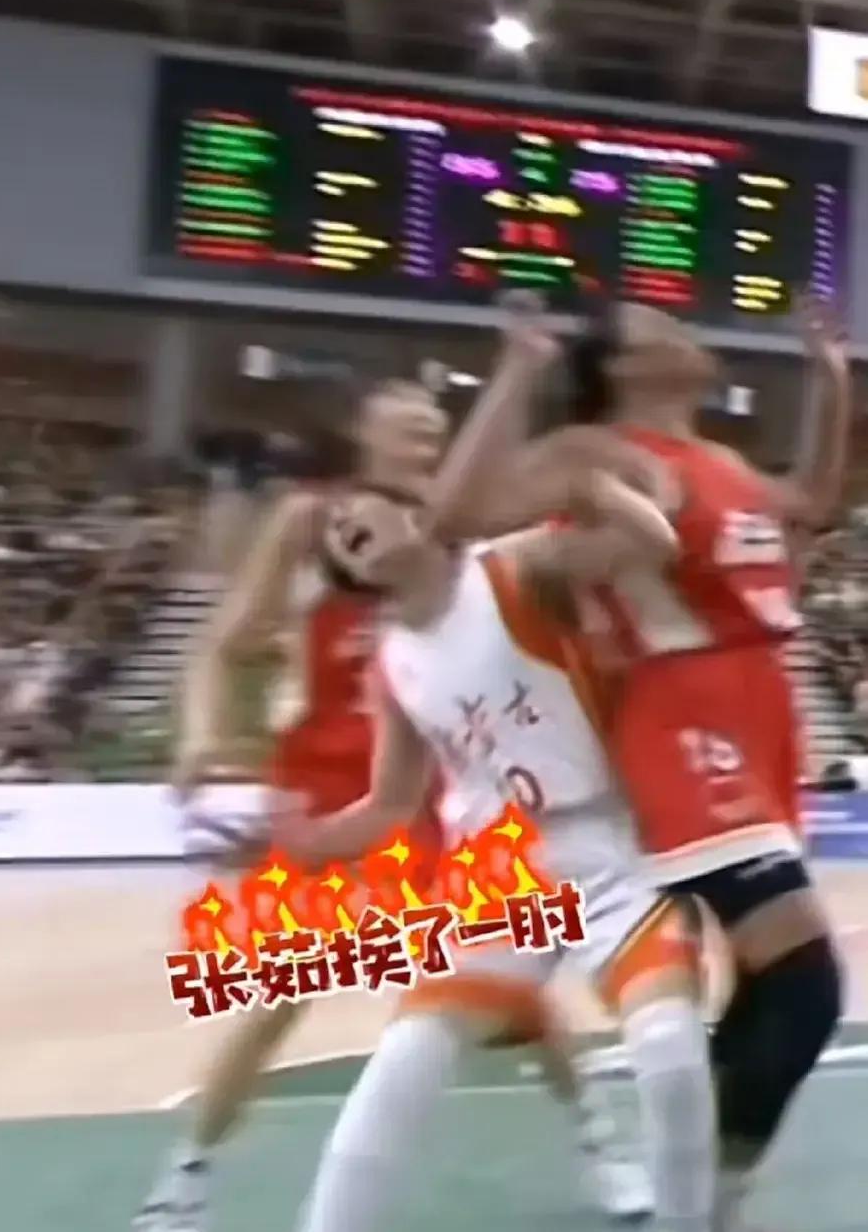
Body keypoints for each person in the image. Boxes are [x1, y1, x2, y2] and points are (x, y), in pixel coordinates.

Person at [134, 378, 649, 1231]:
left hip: (440, 794)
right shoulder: (313, 521)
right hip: (333, 788)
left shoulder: (460, 527)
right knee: (277, 997)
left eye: (435, 430)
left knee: (515, 999)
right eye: (408, 429)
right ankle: (182, 1184)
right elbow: (222, 643)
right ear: (363, 434)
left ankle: (605, 1145)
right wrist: (201, 734)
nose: (425, 443)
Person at [435, 298, 849, 1230]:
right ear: (621, 366)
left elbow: (811, 503)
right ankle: (708, 1195)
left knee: (754, 984)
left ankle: (692, 1180)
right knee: (805, 983)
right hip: (681, 714)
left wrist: (826, 380)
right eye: (657, 325)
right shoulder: (597, 451)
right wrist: (518, 367)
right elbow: (459, 514)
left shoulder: (721, 460)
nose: (684, 329)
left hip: (760, 716)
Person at [280, 473, 716, 1232]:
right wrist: (306, 841)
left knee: (671, 1048)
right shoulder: (391, 662)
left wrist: (593, 478)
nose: (340, 522)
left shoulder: (513, 565)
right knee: (408, 1054)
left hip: (609, 841)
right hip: (501, 872)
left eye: (354, 508)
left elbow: (651, 541)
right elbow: (391, 801)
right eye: (332, 530)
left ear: (417, 509)